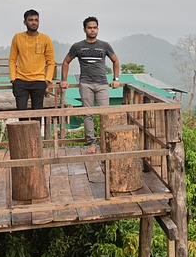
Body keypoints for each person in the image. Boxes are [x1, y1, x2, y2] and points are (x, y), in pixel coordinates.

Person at [60, 16, 120, 154]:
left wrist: (116, 79)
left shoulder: (104, 46)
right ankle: (92, 143)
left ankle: (107, 141)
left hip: (102, 84)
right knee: (88, 114)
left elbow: (116, 61)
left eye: (95, 28)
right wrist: (64, 80)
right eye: (89, 28)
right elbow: (66, 62)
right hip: (86, 83)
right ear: (84, 29)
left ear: (98, 29)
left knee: (106, 113)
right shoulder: (77, 46)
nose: (92, 30)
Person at [9, 9, 55, 118]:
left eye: (36, 20)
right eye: (30, 20)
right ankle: (23, 135)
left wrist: (47, 80)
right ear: (25, 22)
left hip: (39, 81)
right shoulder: (18, 37)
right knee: (21, 113)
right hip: (20, 81)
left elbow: (51, 62)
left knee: (37, 114)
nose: (34, 22)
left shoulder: (45, 39)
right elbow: (12, 59)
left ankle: (36, 136)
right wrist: (13, 79)